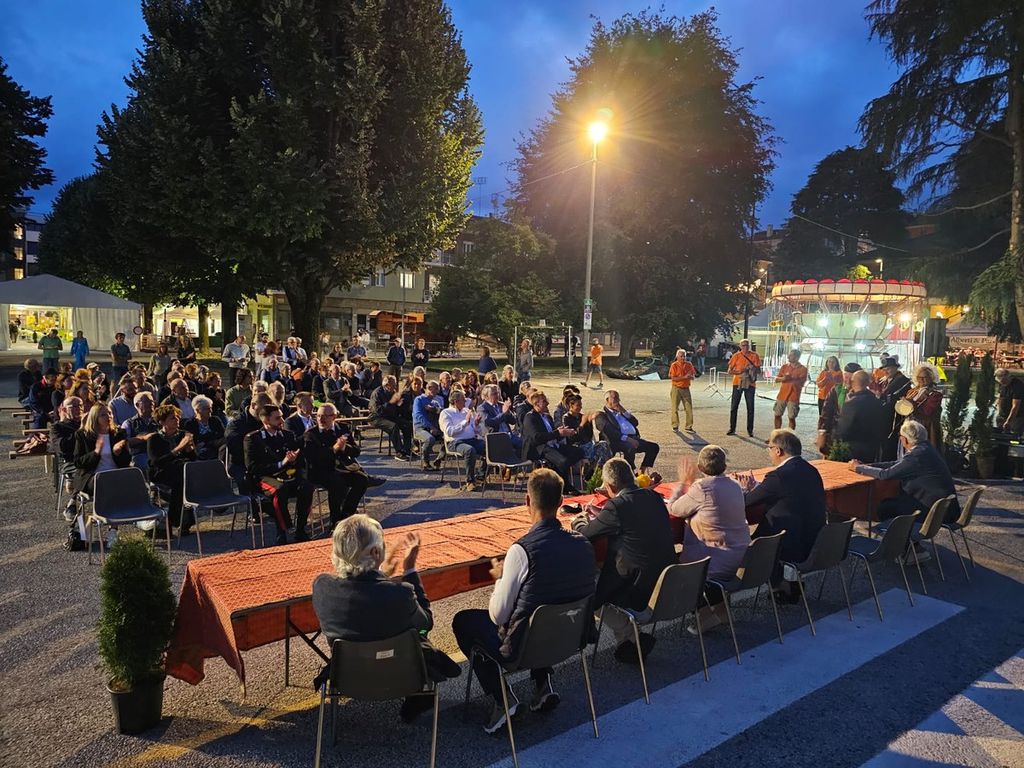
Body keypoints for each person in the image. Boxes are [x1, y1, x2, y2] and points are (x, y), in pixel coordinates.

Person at [453, 469, 595, 732]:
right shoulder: (583, 543)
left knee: (464, 621)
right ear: (561, 501)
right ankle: (543, 685)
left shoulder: (522, 550)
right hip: (570, 639)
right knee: (544, 602)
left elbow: (498, 615)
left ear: (527, 501)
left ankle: (503, 699)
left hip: (524, 648)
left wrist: (500, 578)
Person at [312, 516, 460, 723]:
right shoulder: (400, 594)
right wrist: (409, 569)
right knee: (419, 635)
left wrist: (382, 578)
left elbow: (365, 605)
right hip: (403, 676)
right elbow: (425, 624)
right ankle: (419, 697)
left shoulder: (321, 586)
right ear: (375, 552)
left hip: (347, 676)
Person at [572, 458, 677, 662]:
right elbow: (633, 519)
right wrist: (602, 514)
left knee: (587, 586)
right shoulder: (654, 497)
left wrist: (579, 521)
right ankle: (627, 643)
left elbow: (585, 535)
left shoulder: (617, 506)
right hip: (665, 582)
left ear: (610, 486)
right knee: (609, 566)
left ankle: (630, 634)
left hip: (638, 589)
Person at [736, 429, 826, 599]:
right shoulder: (812, 470)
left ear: (778, 451)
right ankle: (784, 585)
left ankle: (780, 584)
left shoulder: (778, 476)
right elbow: (786, 492)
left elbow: (746, 502)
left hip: (787, 544)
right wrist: (758, 487)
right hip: (815, 539)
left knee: (744, 545)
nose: (769, 452)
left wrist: (742, 489)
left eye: (769, 448)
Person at [851, 421, 960, 555]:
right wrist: (868, 466)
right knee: (898, 503)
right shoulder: (927, 449)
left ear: (905, 439)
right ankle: (912, 546)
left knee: (885, 508)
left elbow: (885, 475)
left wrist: (858, 468)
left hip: (934, 513)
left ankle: (904, 549)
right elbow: (897, 465)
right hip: (945, 510)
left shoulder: (916, 456)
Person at [304, 404, 384, 527]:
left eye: (325, 416)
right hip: (321, 471)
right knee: (338, 484)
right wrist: (334, 449)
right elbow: (314, 458)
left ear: (334, 417)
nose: (320, 419)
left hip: (342, 469)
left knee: (362, 479)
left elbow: (356, 451)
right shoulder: (311, 434)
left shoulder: (342, 428)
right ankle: (335, 521)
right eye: (318, 416)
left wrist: (345, 447)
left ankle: (346, 515)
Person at [244, 403, 314, 544]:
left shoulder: (287, 435)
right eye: (277, 418)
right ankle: (282, 530)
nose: (282, 421)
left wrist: (293, 460)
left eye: (282, 417)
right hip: (265, 478)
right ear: (265, 420)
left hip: (287, 474)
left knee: (307, 487)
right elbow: (252, 467)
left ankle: (301, 529)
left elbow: (299, 460)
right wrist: (281, 463)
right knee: (280, 490)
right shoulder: (253, 438)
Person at [521, 389, 584, 493]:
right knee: (563, 461)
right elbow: (537, 438)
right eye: (544, 401)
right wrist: (558, 433)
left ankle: (557, 475)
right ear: (536, 404)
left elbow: (554, 434)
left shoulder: (547, 417)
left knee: (579, 452)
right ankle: (564, 486)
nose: (547, 403)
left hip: (553, 445)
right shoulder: (530, 417)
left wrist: (565, 432)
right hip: (540, 448)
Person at [147, 405, 198, 533]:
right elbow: (157, 462)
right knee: (181, 475)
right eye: (172, 418)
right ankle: (182, 520)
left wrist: (189, 448)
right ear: (162, 422)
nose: (177, 420)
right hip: (161, 472)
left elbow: (193, 458)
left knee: (182, 475)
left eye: (177, 417)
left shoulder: (183, 434)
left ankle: (177, 520)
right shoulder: (154, 439)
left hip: (180, 472)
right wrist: (179, 448)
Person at [72, 404, 132, 501]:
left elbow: (126, 461)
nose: (109, 416)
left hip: (116, 473)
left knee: (133, 477)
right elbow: (78, 462)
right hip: (93, 476)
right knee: (106, 482)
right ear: (95, 418)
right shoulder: (83, 435)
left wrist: (117, 453)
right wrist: (95, 453)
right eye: (103, 415)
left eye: (110, 413)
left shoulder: (119, 433)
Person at [594, 389, 660, 470]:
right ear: (607, 400)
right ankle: (629, 471)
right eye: (615, 398)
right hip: (617, 440)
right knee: (630, 447)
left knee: (653, 447)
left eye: (618, 398)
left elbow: (635, 423)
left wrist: (624, 411)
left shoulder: (621, 412)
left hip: (633, 438)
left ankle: (642, 471)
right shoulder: (602, 415)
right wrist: (627, 439)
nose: (618, 401)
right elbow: (610, 431)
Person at [834, 370, 886, 462]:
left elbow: (843, 429)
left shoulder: (851, 404)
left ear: (853, 382)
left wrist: (834, 440)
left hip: (852, 448)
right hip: (871, 447)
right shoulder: (877, 402)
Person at [440, 390, 486, 490]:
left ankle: (481, 475)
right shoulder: (446, 413)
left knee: (489, 447)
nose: (465, 402)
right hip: (455, 442)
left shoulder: (466, 411)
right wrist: (465, 422)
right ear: (456, 401)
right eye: (463, 400)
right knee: (469, 450)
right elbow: (449, 432)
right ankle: (470, 481)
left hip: (472, 439)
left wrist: (476, 424)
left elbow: (476, 431)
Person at [369, 375, 413, 460]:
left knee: (407, 425)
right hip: (376, 418)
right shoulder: (377, 393)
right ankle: (399, 452)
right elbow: (377, 410)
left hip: (389, 416)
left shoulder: (392, 392)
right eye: (393, 385)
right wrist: (390, 402)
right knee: (393, 426)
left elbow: (396, 409)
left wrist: (400, 404)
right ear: (387, 385)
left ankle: (407, 449)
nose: (395, 386)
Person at [902, 363, 944, 450]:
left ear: (931, 378)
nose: (921, 379)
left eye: (925, 377)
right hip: (910, 426)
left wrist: (911, 404)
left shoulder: (935, 394)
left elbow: (927, 411)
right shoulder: (911, 391)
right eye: (919, 377)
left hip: (925, 427)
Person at [878, 355, 912, 460]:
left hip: (895, 417)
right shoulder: (885, 380)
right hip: (885, 416)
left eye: (888, 369)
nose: (885, 371)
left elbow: (895, 398)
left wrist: (881, 397)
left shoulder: (903, 380)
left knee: (891, 442)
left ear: (895, 368)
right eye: (884, 369)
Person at [726, 339, 761, 437]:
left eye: (747, 345)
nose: (745, 347)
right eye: (743, 345)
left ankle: (750, 430)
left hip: (750, 383)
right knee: (734, 407)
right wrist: (740, 371)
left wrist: (752, 369)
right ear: (740, 346)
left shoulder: (755, 355)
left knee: (750, 407)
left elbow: (759, 371)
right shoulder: (736, 356)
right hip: (738, 383)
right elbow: (729, 371)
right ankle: (732, 428)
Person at [478, 383, 522, 451]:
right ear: (486, 396)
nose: (497, 395)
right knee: (512, 450)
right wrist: (503, 413)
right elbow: (490, 422)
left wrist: (508, 412)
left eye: (498, 393)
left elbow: (513, 421)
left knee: (525, 445)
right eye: (494, 394)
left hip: (508, 435)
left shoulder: (501, 405)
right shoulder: (482, 408)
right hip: (496, 437)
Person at [122, 391, 158, 472]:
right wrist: (143, 438)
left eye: (152, 401)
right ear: (137, 405)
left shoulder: (159, 421)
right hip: (140, 455)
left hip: (158, 453)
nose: (151, 404)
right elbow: (123, 442)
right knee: (145, 462)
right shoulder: (129, 423)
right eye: (147, 401)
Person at [412, 381, 445, 470]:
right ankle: (425, 461)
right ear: (429, 388)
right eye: (436, 389)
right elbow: (418, 415)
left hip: (434, 428)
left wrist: (434, 409)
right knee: (430, 439)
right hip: (420, 428)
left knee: (449, 439)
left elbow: (442, 413)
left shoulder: (435, 402)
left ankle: (439, 459)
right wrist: (431, 427)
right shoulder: (419, 399)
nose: (437, 391)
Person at [773, 349, 808, 430]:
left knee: (791, 417)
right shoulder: (784, 367)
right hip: (782, 395)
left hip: (794, 396)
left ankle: (790, 435)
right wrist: (784, 378)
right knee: (777, 415)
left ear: (797, 357)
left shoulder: (803, 369)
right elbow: (777, 379)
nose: (788, 356)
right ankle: (777, 434)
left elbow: (802, 383)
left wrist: (791, 378)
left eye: (791, 355)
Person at [184, 395, 225, 461]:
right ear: (197, 410)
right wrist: (212, 438)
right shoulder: (190, 424)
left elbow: (222, 436)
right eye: (207, 409)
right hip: (200, 454)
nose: (210, 411)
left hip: (217, 450)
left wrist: (207, 441)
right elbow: (193, 443)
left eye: (210, 408)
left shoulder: (215, 420)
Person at [668, 348, 696, 431]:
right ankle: (675, 425)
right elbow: (673, 378)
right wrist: (684, 377)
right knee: (675, 408)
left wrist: (690, 377)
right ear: (677, 357)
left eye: (684, 356)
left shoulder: (689, 364)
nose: (683, 358)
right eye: (681, 356)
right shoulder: (674, 365)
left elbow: (693, 376)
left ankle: (689, 426)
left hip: (686, 388)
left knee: (689, 408)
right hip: (676, 388)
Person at [996, 367, 1024, 433]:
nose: (1003, 384)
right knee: (999, 435)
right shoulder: (1002, 383)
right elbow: (1001, 395)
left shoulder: (1018, 385)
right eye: (1001, 382)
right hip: (1002, 415)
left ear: (1008, 377)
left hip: (1016, 417)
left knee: (1013, 436)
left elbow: (1015, 406)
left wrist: (1009, 421)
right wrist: (997, 405)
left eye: (1004, 382)